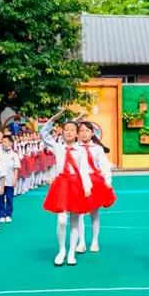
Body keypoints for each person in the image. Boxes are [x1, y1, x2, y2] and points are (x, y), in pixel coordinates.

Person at [40, 109, 92, 267]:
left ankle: (71, 253)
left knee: (75, 221)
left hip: (76, 186)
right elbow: (43, 133)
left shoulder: (81, 150)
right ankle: (61, 250)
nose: (69, 133)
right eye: (66, 130)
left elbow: (84, 170)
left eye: (72, 130)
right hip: (61, 185)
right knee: (62, 221)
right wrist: (55, 118)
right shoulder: (58, 147)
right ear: (62, 133)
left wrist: (87, 186)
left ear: (77, 134)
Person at [76, 121, 116, 253]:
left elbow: (104, 164)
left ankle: (94, 241)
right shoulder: (75, 148)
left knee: (94, 213)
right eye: (81, 131)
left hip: (95, 182)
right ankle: (81, 242)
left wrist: (107, 179)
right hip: (79, 182)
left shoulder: (98, 149)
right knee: (79, 213)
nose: (84, 133)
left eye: (87, 131)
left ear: (93, 133)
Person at [0, 135, 21, 223]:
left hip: (10, 180)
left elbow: (16, 168)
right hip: (0, 181)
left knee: (9, 198)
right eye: (2, 142)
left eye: (5, 141)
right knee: (0, 198)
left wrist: (15, 179)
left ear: (10, 143)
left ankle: (8, 214)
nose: (3, 143)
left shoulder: (14, 154)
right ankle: (1, 214)